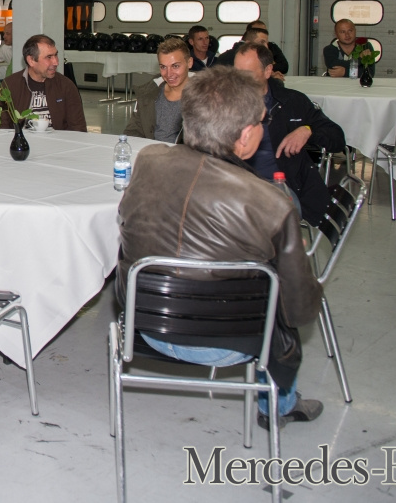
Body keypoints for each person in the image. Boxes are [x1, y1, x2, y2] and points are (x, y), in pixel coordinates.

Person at [117, 66, 325, 429]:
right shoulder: (271, 202)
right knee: (276, 296)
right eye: (261, 122)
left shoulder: (147, 160)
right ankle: (279, 406)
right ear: (244, 137)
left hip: (145, 326)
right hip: (228, 342)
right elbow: (299, 309)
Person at [233, 42, 347, 228]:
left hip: (281, 188)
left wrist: (307, 130)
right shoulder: (224, 104)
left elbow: (337, 138)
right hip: (236, 186)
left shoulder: (291, 102)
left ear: (268, 71)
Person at [0, 34, 87, 131]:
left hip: (57, 140)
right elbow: (3, 127)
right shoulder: (10, 85)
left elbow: (78, 127)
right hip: (23, 139)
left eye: (56, 55)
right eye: (49, 57)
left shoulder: (66, 86)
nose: (56, 62)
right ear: (31, 60)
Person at [124, 37, 193, 143]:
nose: (169, 74)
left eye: (175, 66)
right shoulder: (147, 94)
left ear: (189, 63)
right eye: (163, 67)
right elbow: (133, 130)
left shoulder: (205, 99)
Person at [215, 25, 283, 77]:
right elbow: (249, 81)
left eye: (267, 43)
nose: (266, 47)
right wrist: (274, 79)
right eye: (262, 42)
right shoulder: (230, 58)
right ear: (248, 43)